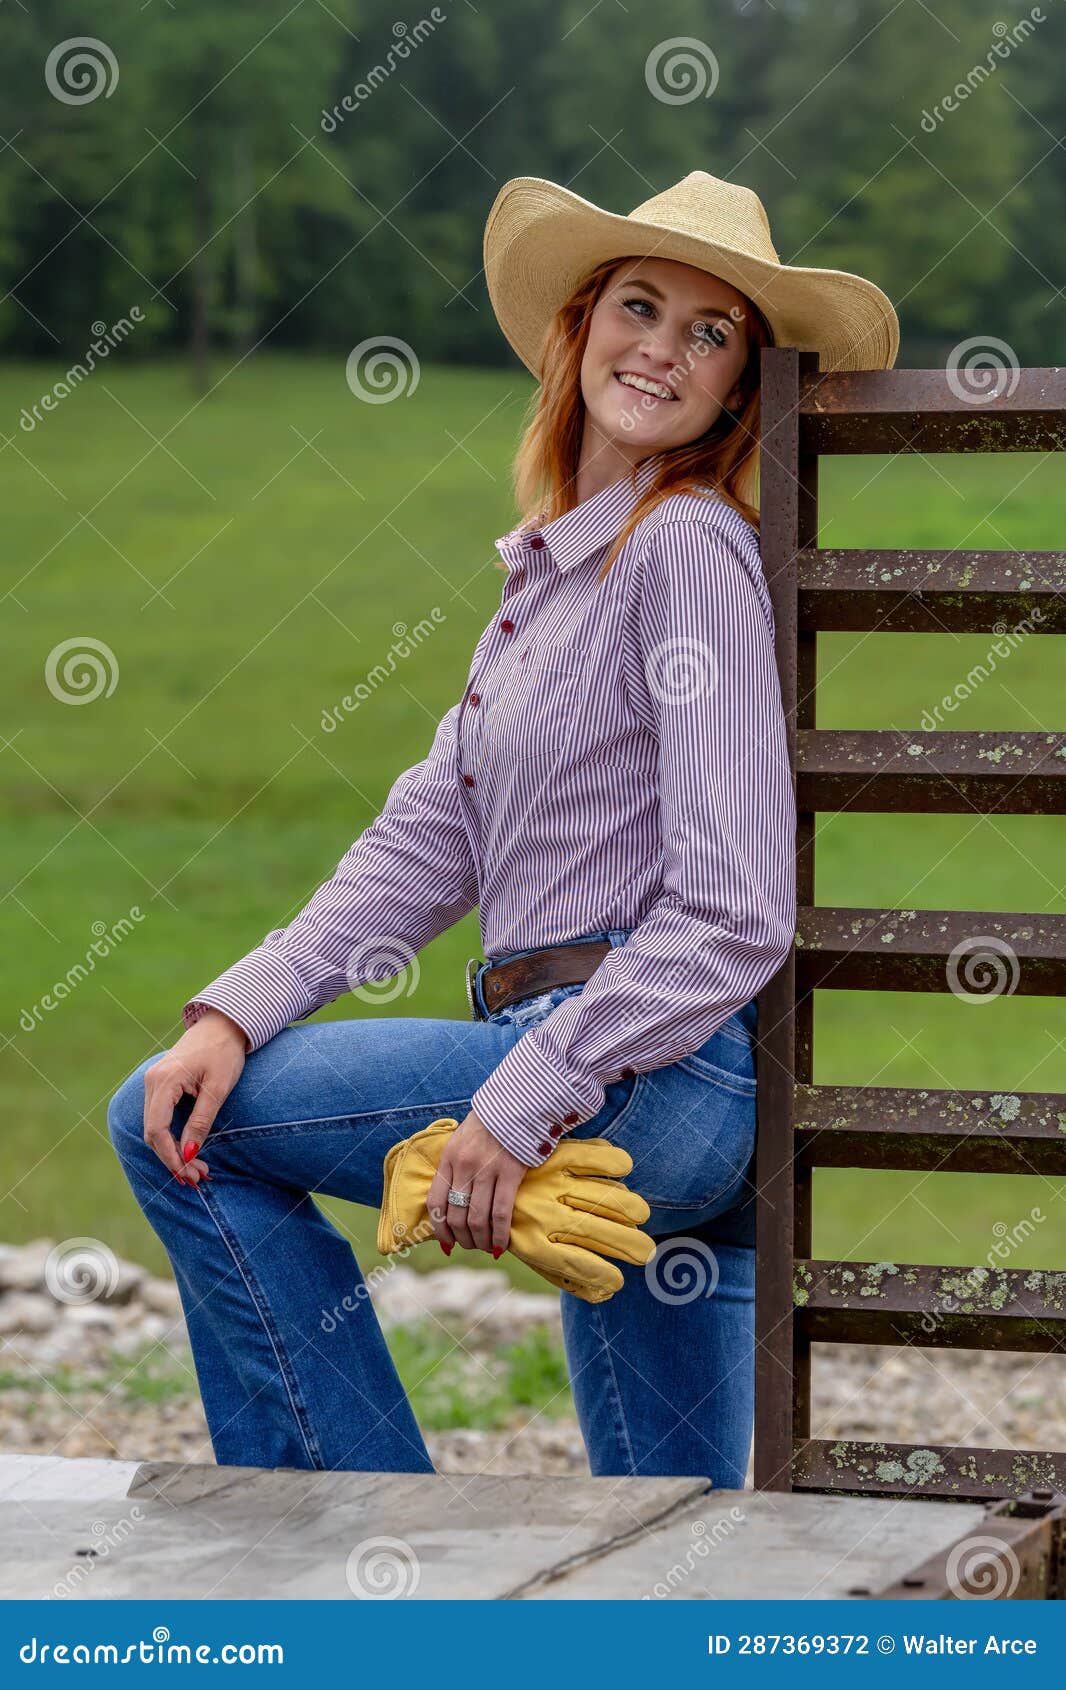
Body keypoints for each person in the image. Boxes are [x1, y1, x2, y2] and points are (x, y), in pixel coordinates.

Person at [108, 168, 898, 1480]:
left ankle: (343, 1524)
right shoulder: (551, 574)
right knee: (668, 1533)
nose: (664, 347)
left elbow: (732, 904)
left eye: (712, 334)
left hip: (631, 1063)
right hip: (629, 1077)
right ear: (575, 328)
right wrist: (234, 1012)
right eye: (639, 306)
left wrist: (521, 1096)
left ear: (738, 388)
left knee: (164, 1122)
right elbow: (429, 836)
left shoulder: (680, 550)